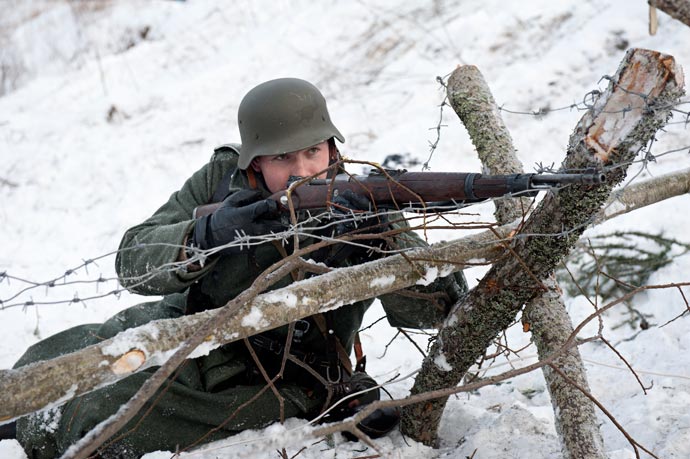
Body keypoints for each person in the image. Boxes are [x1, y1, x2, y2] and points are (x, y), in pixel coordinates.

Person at [14, 78, 467, 458]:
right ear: (254, 160)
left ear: (332, 146)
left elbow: (430, 312)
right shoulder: (222, 178)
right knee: (41, 368)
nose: (301, 170)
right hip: (181, 329)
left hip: (271, 378)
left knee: (89, 420)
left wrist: (380, 239)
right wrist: (204, 236)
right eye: (281, 158)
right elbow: (131, 261)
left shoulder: (364, 201)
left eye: (312, 151)